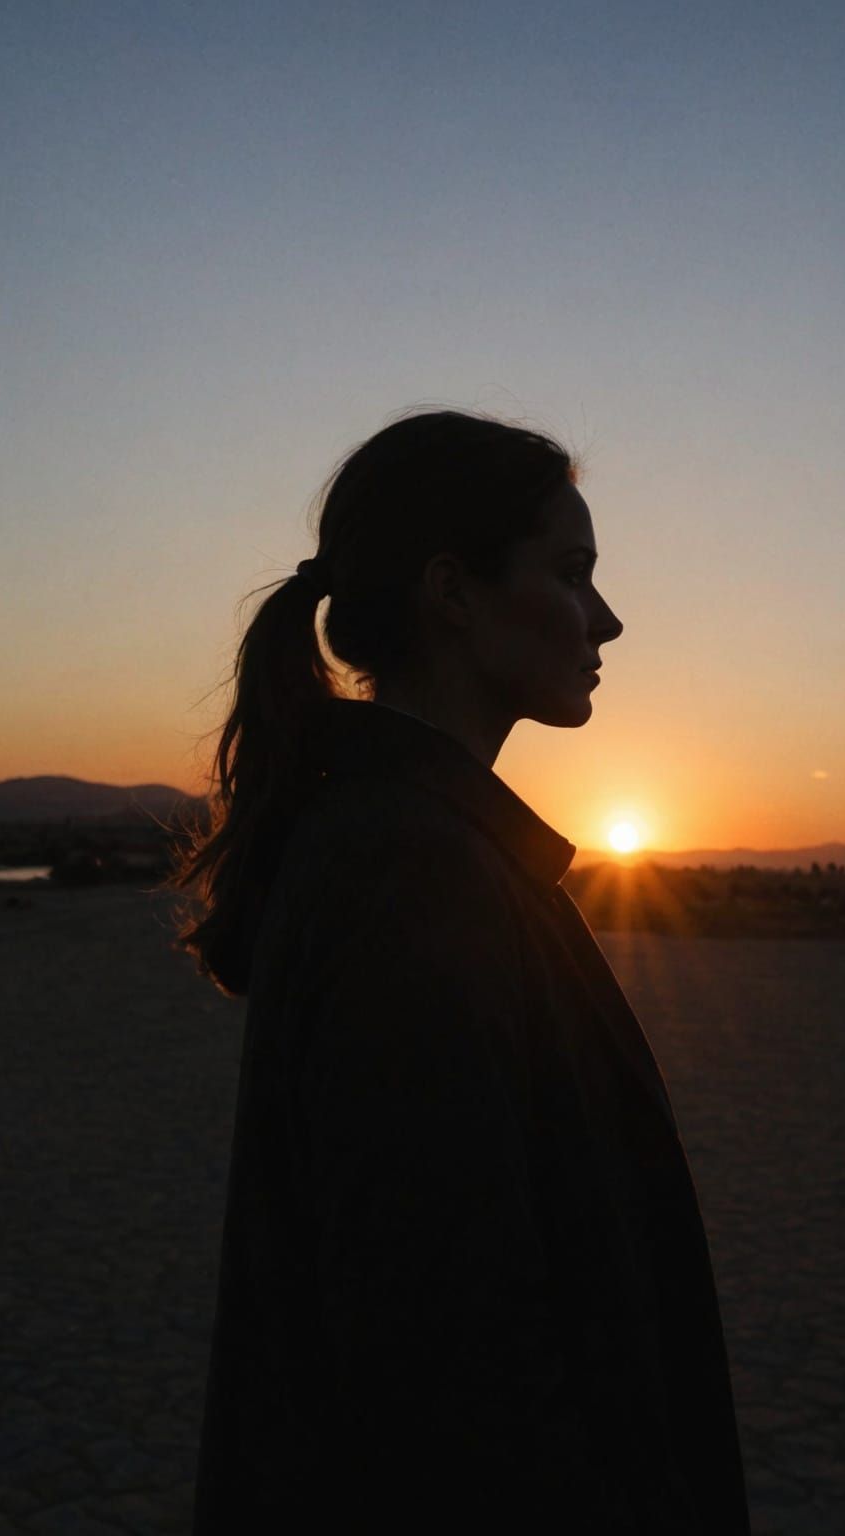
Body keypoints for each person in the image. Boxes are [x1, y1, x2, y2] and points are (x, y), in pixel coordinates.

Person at [176, 408, 749, 1532]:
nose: (609, 619)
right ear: (452, 592)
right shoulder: (411, 877)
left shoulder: (411, 846)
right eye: (573, 573)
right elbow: (443, 1362)